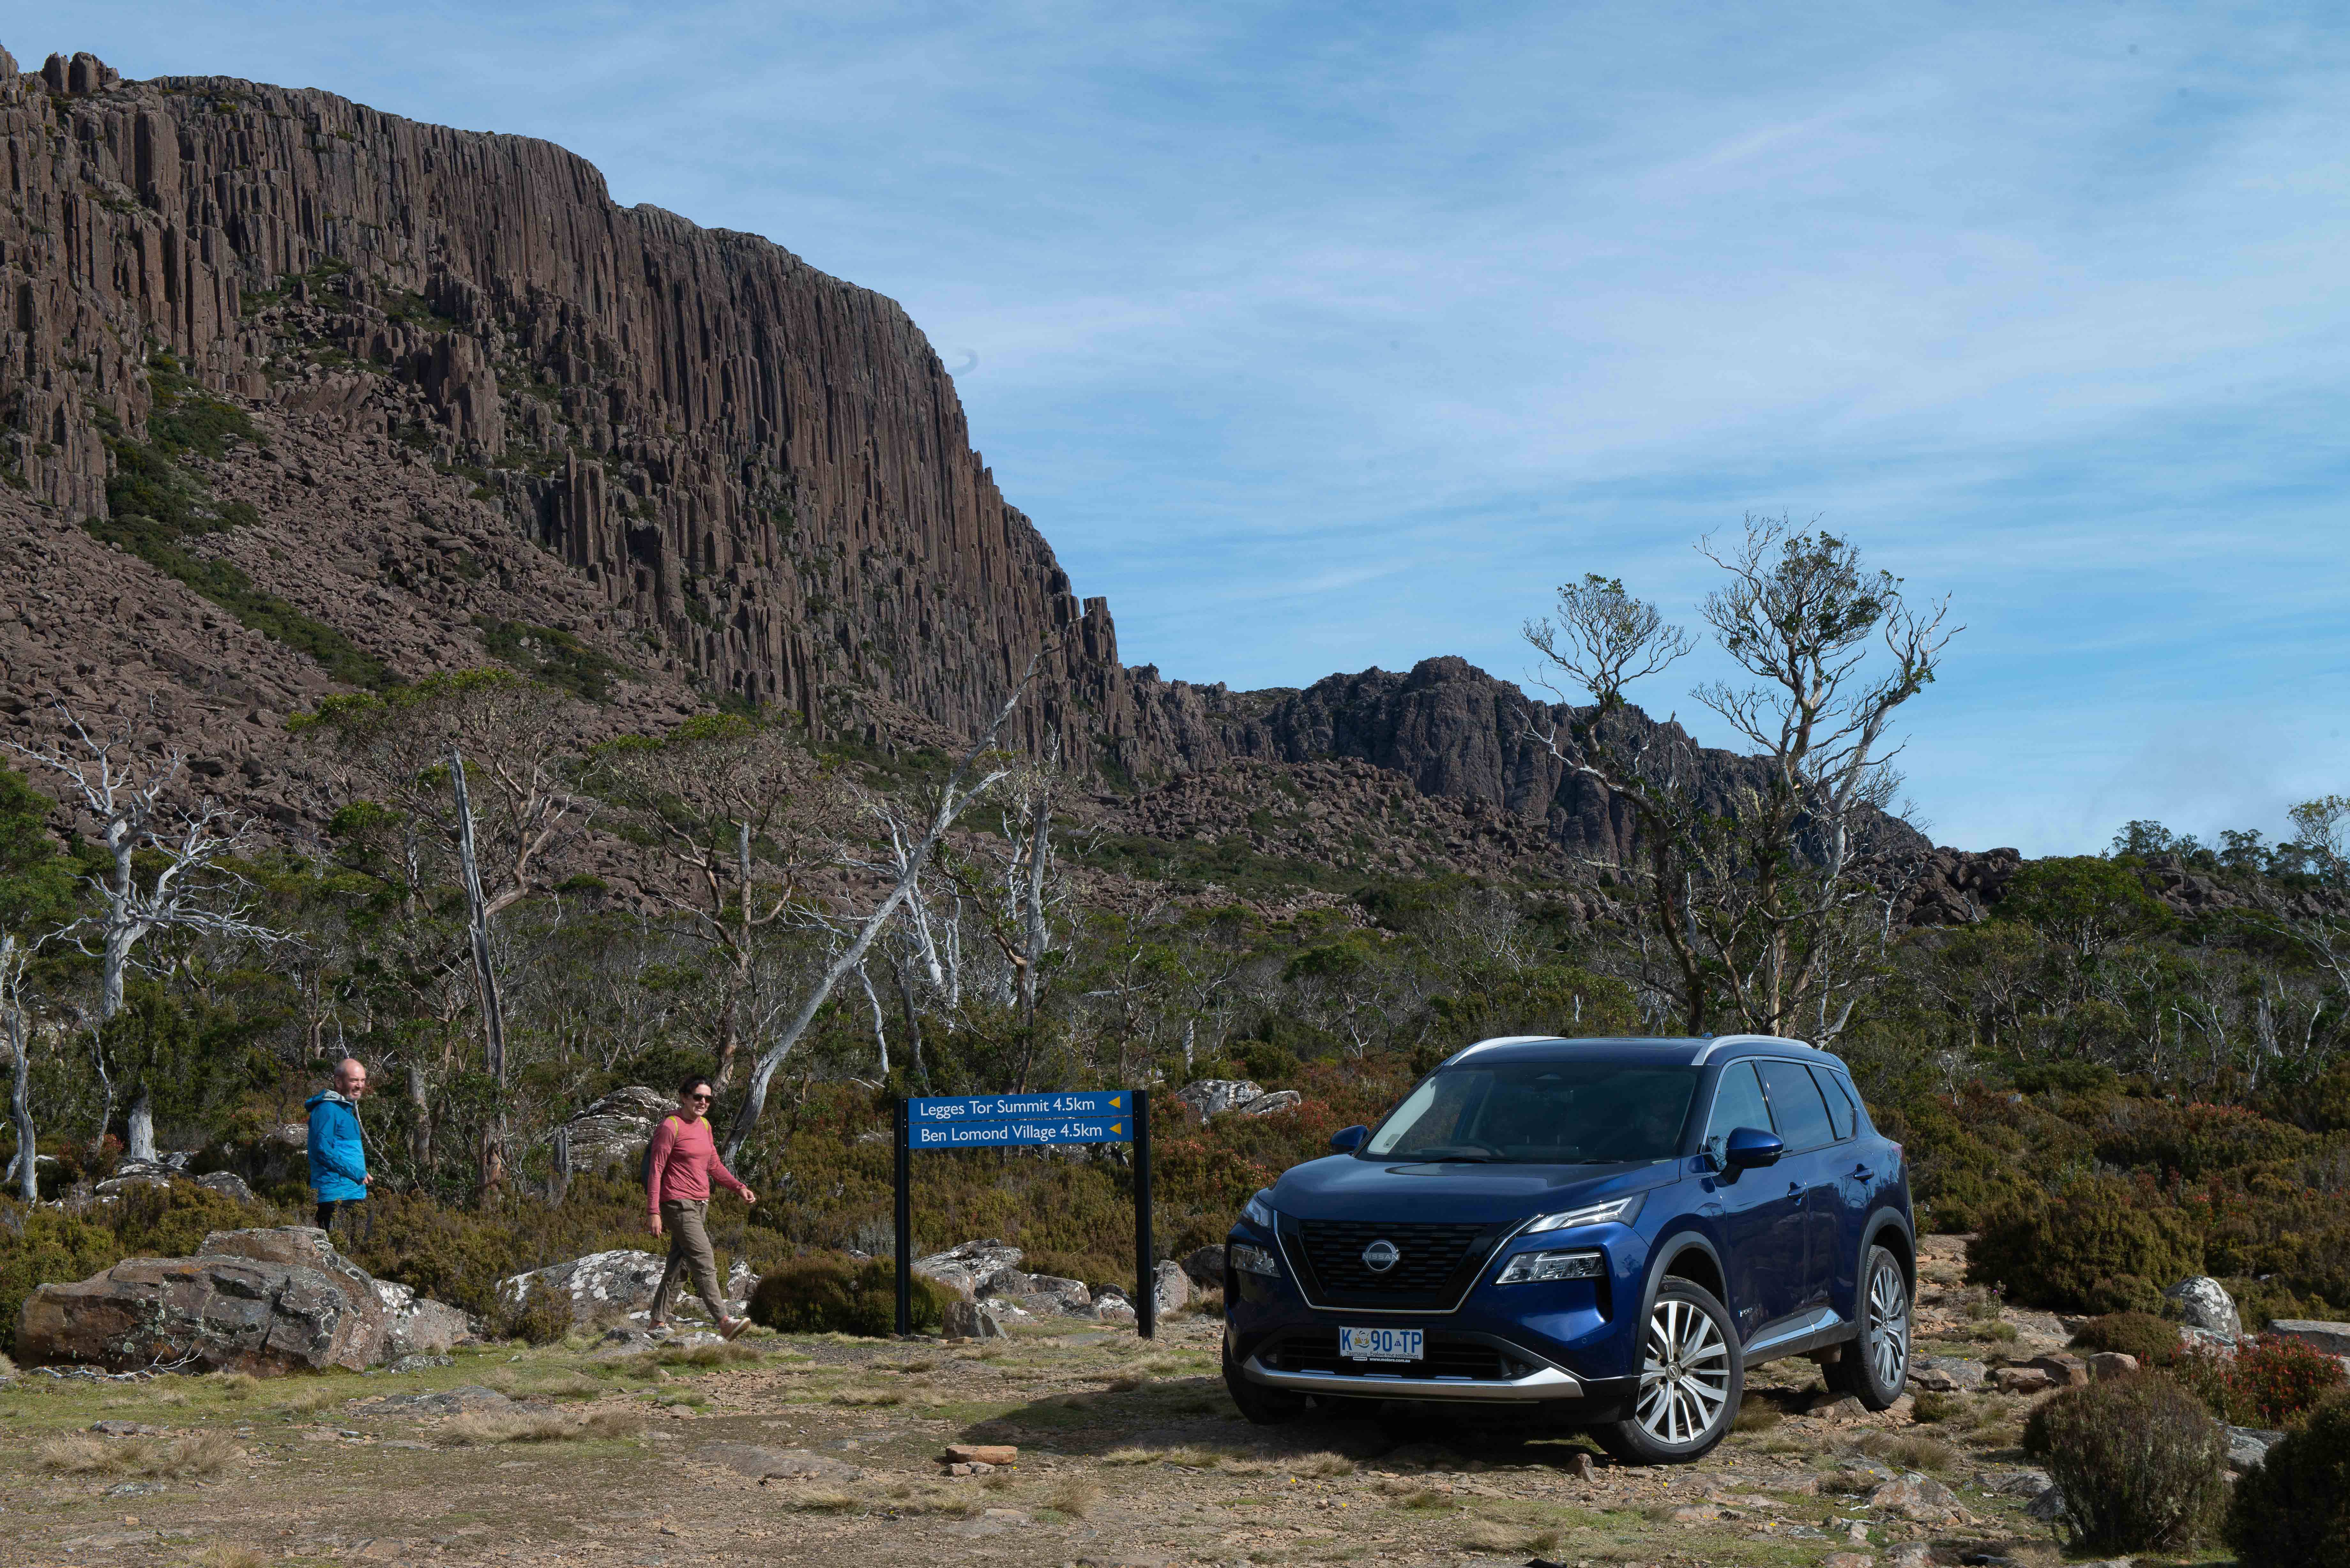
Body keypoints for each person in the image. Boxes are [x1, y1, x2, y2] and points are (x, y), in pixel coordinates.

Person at [647, 1074, 757, 1338]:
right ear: (685, 1097)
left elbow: (714, 1165)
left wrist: (739, 1187)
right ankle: (724, 1321)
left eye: (708, 1098)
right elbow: (656, 1170)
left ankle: (656, 1323)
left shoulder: (705, 1126)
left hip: (700, 1204)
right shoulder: (670, 1126)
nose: (703, 1102)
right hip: (677, 1202)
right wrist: (654, 1212)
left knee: (680, 1264)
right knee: (704, 1260)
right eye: (698, 1097)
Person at [306, 1058, 373, 1239]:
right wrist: (356, 1173)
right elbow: (321, 1150)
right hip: (335, 1198)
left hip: (354, 1195)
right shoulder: (327, 1109)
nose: (360, 1086)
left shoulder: (344, 1111)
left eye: (363, 1081)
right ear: (338, 1082)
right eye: (354, 1081)